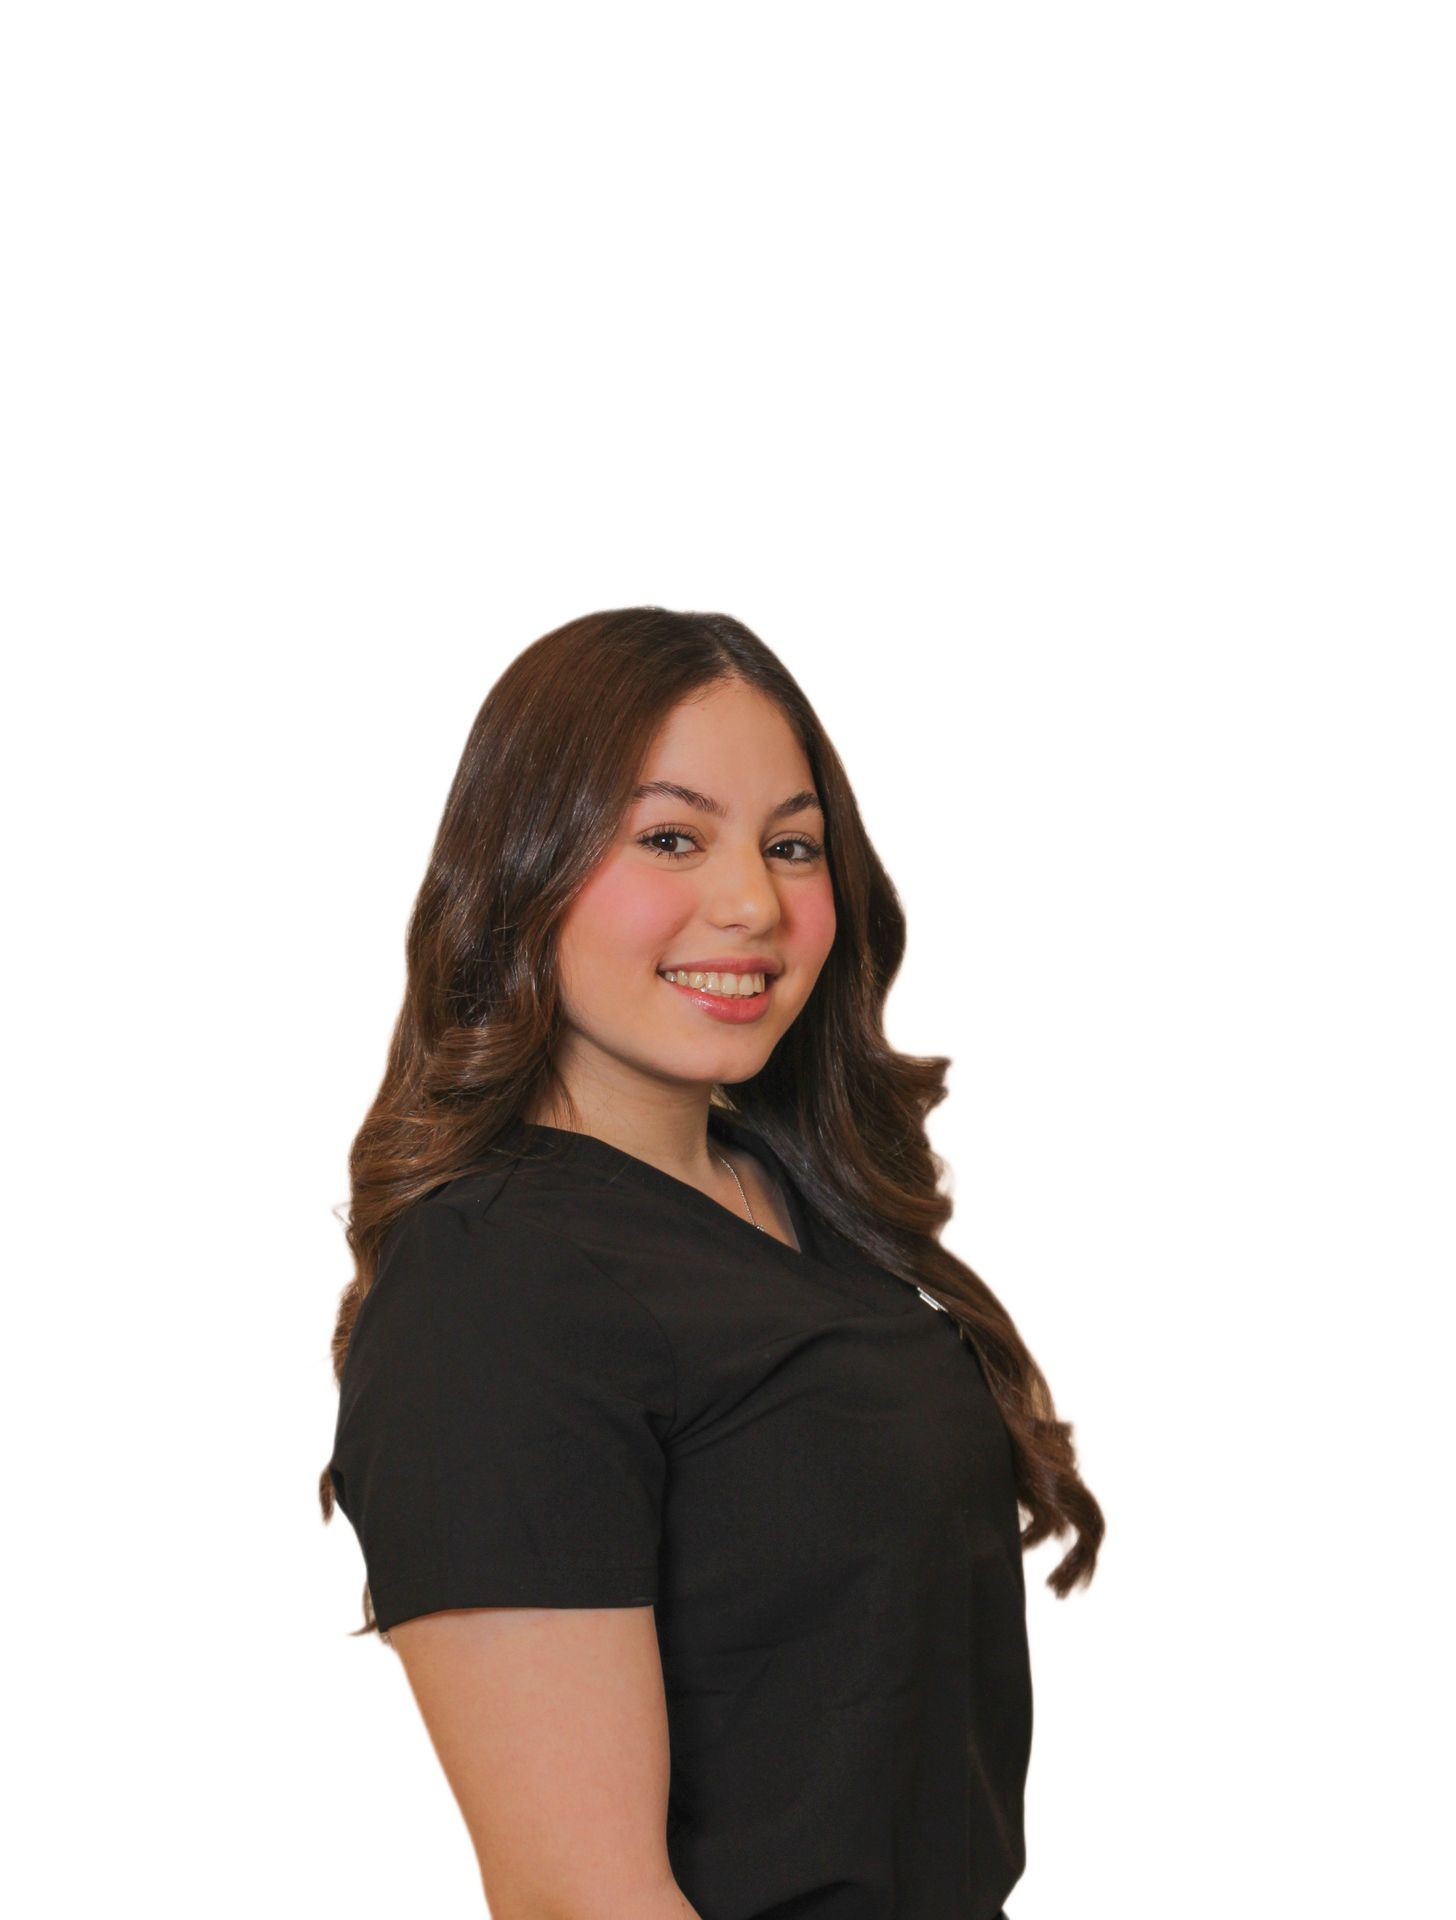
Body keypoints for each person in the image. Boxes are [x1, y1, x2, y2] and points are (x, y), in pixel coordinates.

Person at [320, 606, 1104, 1920]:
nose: (752, 902)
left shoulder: (796, 1201)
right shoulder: (494, 1286)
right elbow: (584, 1901)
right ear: (524, 866)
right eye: (671, 838)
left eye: (792, 846)